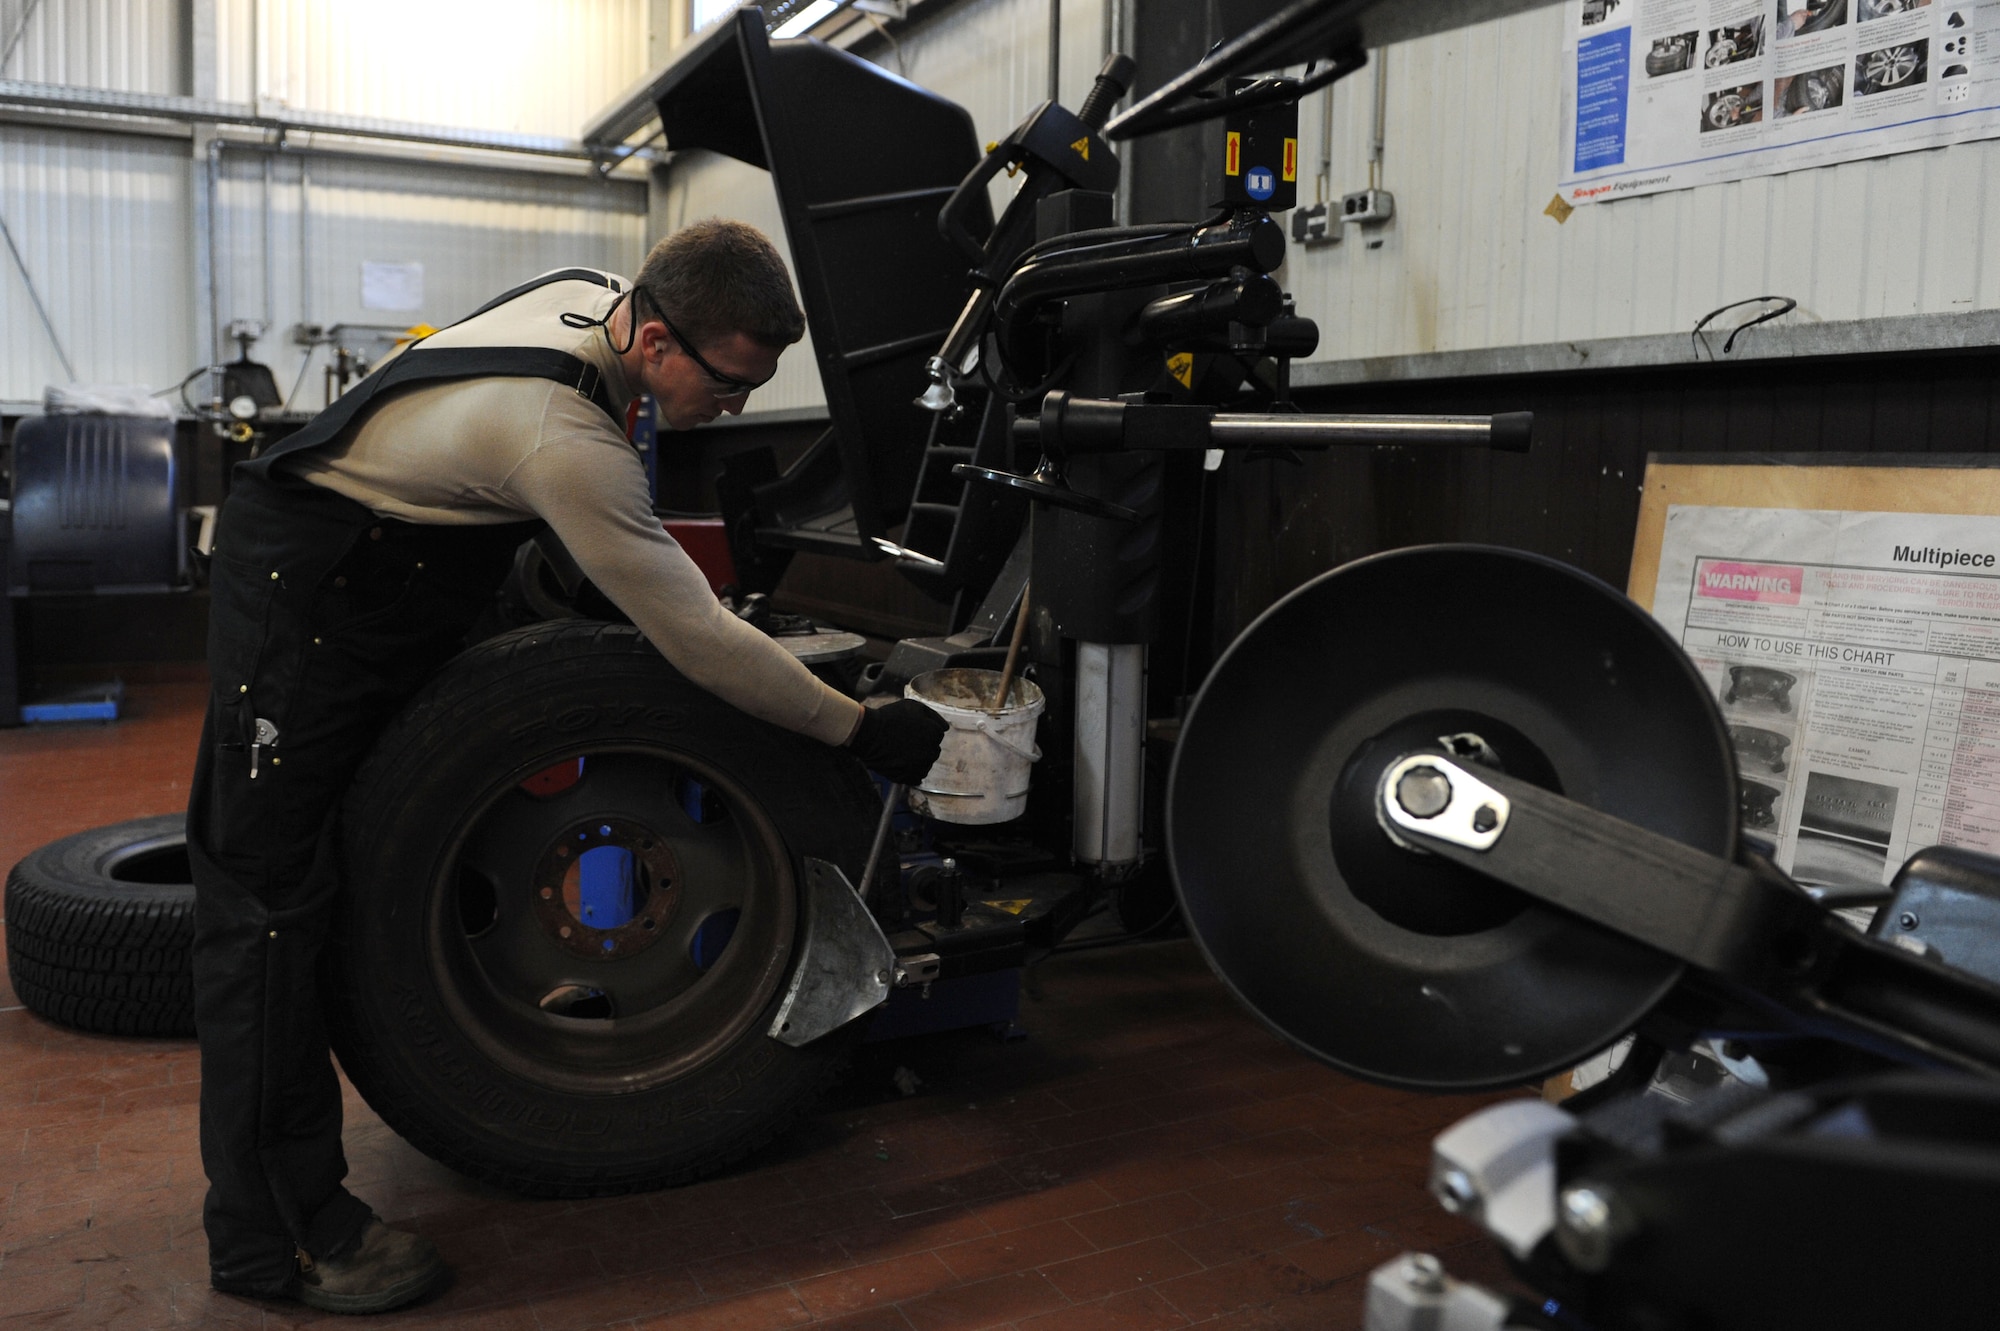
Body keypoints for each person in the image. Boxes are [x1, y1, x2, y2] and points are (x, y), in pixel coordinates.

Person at [186, 219, 947, 1314]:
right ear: (651, 338)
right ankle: (279, 1238)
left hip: (405, 557)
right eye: (728, 385)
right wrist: (855, 728)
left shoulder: (595, 294)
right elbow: (697, 636)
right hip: (308, 584)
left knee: (332, 859)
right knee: (263, 905)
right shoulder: (559, 438)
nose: (732, 408)